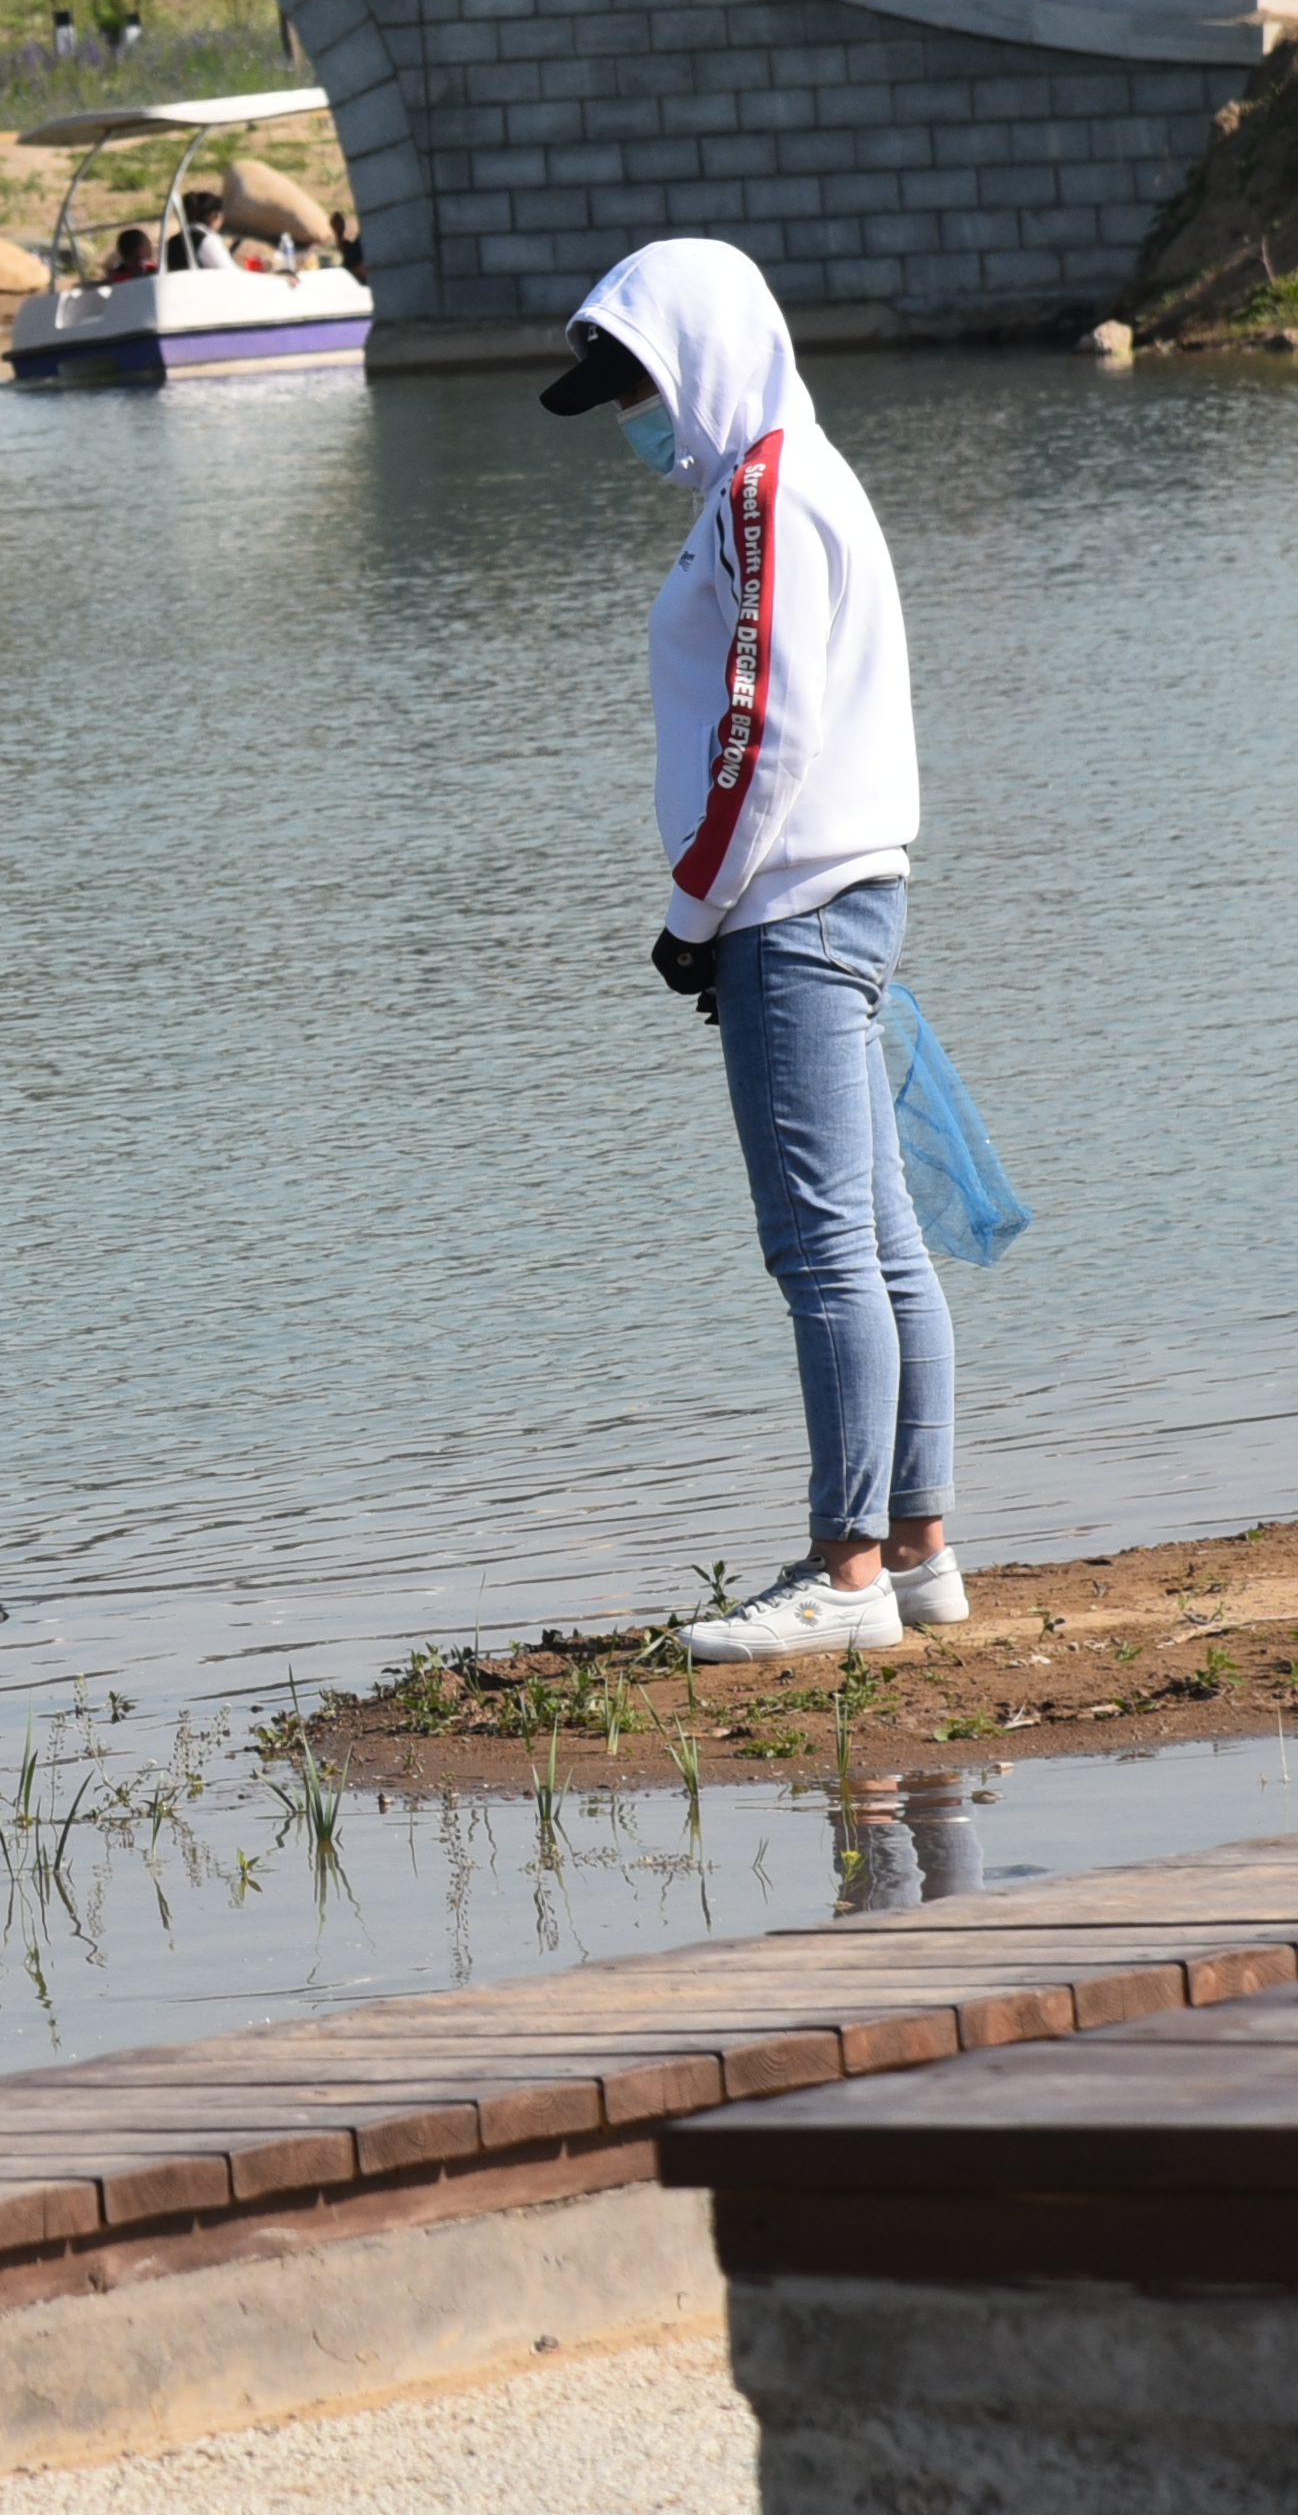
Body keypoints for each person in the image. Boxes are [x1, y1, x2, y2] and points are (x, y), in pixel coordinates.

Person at [540, 240, 957, 1663]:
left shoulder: (769, 491)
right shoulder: (788, 479)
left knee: (821, 1248)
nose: (627, 420)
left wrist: (693, 914)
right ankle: (916, 1554)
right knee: (880, 1240)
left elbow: (760, 725)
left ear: (704, 359)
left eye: (636, 388)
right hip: (838, 895)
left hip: (791, 907)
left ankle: (847, 1574)